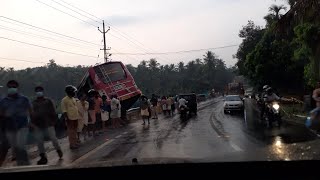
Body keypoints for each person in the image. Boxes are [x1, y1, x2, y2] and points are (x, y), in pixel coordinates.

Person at [0, 80, 32, 166]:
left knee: (20, 145)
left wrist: (31, 122)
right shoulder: (3, 101)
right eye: (10, 87)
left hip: (22, 126)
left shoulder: (24, 99)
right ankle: (20, 164)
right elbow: (1, 114)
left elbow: (31, 111)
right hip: (10, 127)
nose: (12, 88)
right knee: (15, 147)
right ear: (7, 88)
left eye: (14, 87)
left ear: (17, 88)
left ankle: (26, 164)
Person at [31, 86, 63, 165]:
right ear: (36, 92)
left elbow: (53, 111)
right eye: (37, 90)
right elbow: (31, 114)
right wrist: (32, 123)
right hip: (38, 125)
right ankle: (43, 157)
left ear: (42, 91)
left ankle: (58, 150)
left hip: (48, 123)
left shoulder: (48, 101)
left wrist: (54, 121)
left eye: (40, 90)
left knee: (53, 139)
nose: (39, 92)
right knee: (39, 141)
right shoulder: (34, 102)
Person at [61, 85, 80, 150]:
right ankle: (72, 144)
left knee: (75, 130)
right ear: (69, 92)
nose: (74, 93)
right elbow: (64, 111)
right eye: (73, 91)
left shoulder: (73, 99)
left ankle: (75, 142)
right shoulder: (64, 100)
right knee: (71, 131)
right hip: (70, 118)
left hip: (75, 117)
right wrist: (67, 119)